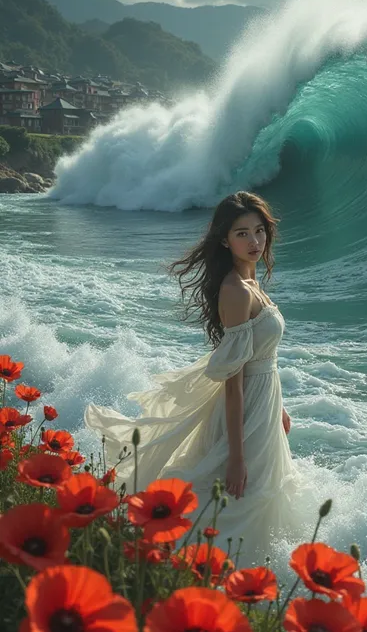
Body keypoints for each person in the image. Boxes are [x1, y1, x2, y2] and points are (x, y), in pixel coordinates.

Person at [85, 191, 305, 559]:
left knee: (258, 493)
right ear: (224, 240)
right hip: (246, 410)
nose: (254, 242)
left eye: (259, 231)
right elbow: (234, 384)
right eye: (242, 234)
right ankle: (183, 561)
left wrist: (279, 408)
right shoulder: (235, 291)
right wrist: (236, 455)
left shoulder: (252, 282)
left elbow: (261, 359)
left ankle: (246, 567)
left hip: (264, 404)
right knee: (236, 489)